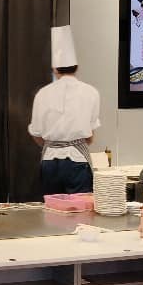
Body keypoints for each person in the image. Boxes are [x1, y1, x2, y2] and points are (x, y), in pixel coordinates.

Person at [28, 26, 101, 195]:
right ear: (77, 67)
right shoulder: (90, 92)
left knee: (52, 208)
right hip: (78, 160)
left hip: (49, 162)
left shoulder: (42, 94)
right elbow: (90, 136)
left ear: (54, 68)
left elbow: (36, 133)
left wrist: (53, 143)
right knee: (80, 208)